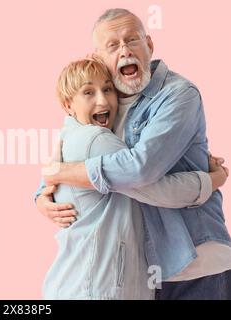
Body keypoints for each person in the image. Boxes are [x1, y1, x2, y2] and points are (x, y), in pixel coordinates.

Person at [36, 8, 231, 299]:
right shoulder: (105, 107)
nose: (124, 50)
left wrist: (64, 173)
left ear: (149, 45)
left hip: (196, 262)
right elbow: (76, 153)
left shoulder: (178, 95)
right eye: (113, 45)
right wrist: (43, 193)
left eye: (132, 40)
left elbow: (140, 170)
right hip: (146, 270)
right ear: (99, 57)